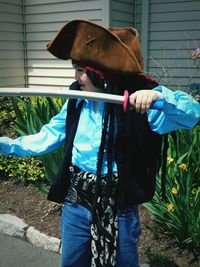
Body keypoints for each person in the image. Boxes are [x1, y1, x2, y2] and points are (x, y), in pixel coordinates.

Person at [0, 20, 200, 267]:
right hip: (77, 202)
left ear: (102, 74)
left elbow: (191, 115)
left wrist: (161, 97)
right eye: (75, 69)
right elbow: (48, 136)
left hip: (119, 205)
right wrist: (5, 145)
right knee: (73, 261)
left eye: (80, 70)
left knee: (123, 263)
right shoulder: (77, 100)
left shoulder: (141, 105)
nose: (76, 77)